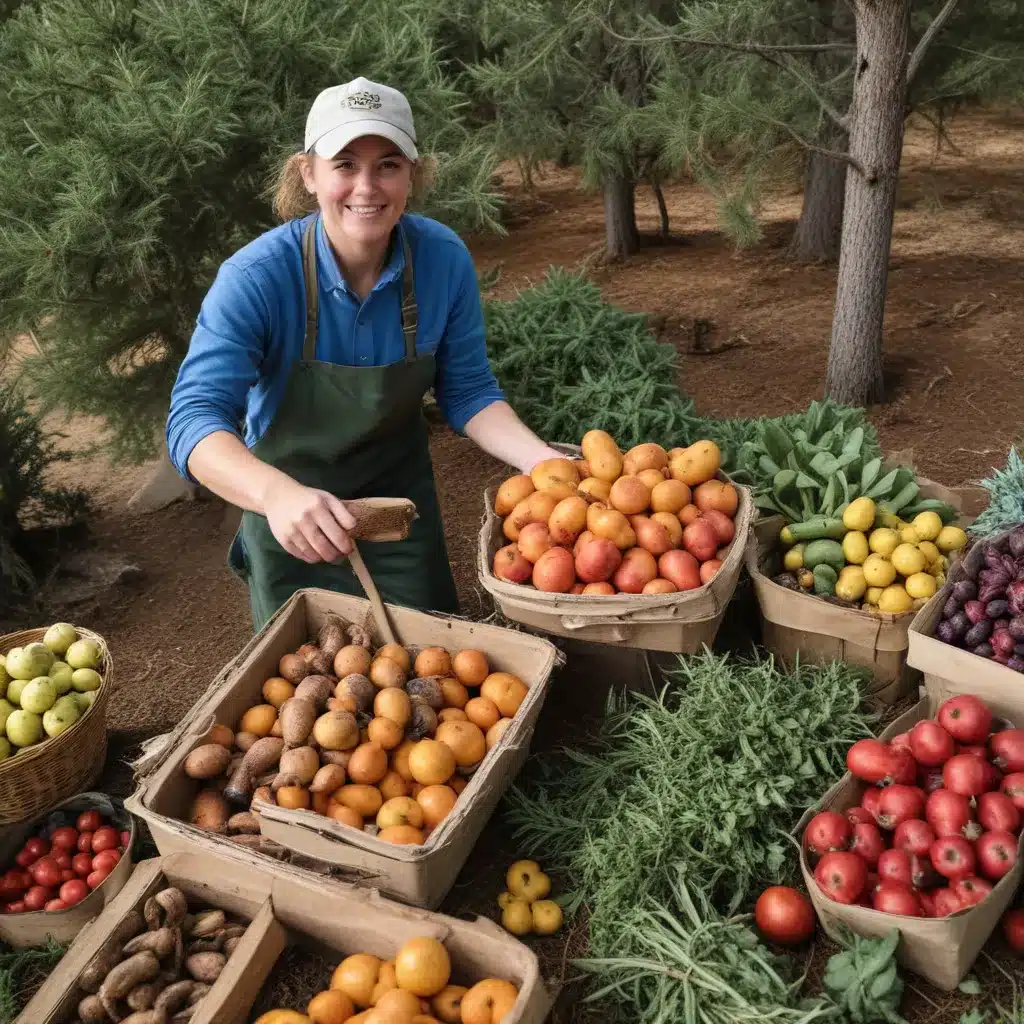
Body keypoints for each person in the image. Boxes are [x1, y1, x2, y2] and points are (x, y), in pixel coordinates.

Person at [166, 77, 563, 631]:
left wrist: (540, 461)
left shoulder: (442, 260)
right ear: (308, 173)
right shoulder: (256, 279)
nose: (367, 187)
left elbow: (468, 390)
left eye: (389, 165)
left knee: (429, 680)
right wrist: (276, 495)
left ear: (412, 176)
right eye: (345, 164)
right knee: (309, 682)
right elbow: (192, 419)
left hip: (397, 514)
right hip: (291, 524)